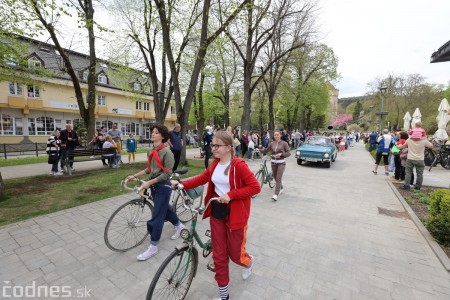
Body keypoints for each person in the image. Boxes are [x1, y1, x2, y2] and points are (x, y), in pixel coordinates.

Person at [171, 131, 260, 300]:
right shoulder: (215, 164)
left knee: (235, 255)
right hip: (217, 212)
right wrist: (182, 184)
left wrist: (231, 195)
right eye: (212, 145)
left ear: (228, 147)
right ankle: (224, 295)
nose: (213, 148)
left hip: (235, 215)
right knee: (219, 255)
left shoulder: (238, 166)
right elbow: (203, 178)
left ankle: (249, 261)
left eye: (216, 146)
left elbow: (255, 187)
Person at [126, 123, 185, 261]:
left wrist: (149, 182)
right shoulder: (150, 151)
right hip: (153, 185)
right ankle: (179, 225)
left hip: (163, 186)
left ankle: (153, 246)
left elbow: (166, 174)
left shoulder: (167, 152)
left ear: (163, 136)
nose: (153, 134)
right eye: (152, 132)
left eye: (156, 132)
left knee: (157, 216)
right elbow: (149, 170)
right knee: (164, 209)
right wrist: (134, 176)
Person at [260, 129, 291, 201]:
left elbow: (289, 153)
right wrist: (259, 149)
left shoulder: (284, 143)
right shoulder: (272, 143)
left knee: (278, 178)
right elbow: (266, 150)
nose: (276, 136)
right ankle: (281, 187)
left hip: (281, 163)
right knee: (275, 177)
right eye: (275, 135)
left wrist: (281, 154)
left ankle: (275, 194)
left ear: (280, 135)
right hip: (273, 163)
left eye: (277, 135)